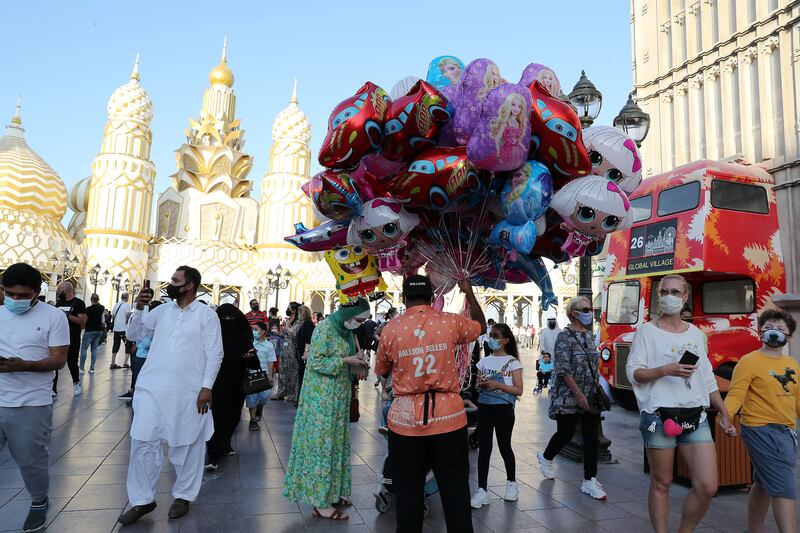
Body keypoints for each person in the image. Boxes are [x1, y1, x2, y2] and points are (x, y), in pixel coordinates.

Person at [375, 275, 486, 533]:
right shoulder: (448, 322)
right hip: (448, 418)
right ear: (432, 297)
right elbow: (479, 325)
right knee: (455, 489)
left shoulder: (391, 328)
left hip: (405, 423)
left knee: (408, 490)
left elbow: (381, 369)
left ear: (404, 298)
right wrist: (468, 292)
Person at [626, 274, 734, 533]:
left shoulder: (696, 335)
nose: (669, 297)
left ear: (685, 297)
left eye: (675, 292)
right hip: (659, 417)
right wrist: (667, 370)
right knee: (662, 482)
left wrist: (724, 411)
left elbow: (707, 377)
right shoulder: (646, 332)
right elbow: (634, 373)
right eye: (664, 292)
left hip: (695, 416)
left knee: (708, 486)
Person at [117, 266, 223, 525]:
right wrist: (139, 309)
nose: (169, 284)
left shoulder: (206, 316)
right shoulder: (160, 311)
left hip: (189, 391)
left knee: (187, 444)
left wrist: (206, 387)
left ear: (190, 286)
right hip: (152, 388)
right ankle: (142, 500)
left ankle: (183, 496)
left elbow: (214, 353)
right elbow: (133, 335)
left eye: (175, 280)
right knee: (143, 441)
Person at [283, 298, 371, 521]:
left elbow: (344, 360)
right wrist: (346, 360)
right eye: (358, 319)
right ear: (348, 313)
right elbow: (315, 363)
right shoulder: (324, 329)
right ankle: (319, 502)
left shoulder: (345, 332)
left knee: (336, 444)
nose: (360, 324)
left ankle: (333, 491)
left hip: (338, 398)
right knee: (321, 447)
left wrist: (357, 364)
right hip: (320, 399)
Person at [0, 263, 69, 533]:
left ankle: (39, 501)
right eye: (10, 294)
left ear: (37, 292)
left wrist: (23, 365)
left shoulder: (53, 317)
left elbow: (58, 360)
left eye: (22, 295)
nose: (15, 300)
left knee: (30, 460)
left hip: (31, 403)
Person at [724, 309, 799, 533]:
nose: (773, 333)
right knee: (784, 488)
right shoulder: (749, 361)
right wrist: (725, 417)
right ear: (760, 332)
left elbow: (796, 399)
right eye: (768, 329)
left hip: (786, 431)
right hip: (760, 429)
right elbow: (736, 394)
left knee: (764, 483)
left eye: (780, 330)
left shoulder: (792, 363)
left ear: (790, 337)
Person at [537, 296, 607, 500]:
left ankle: (589, 480)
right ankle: (546, 456)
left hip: (590, 394)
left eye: (591, 308)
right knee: (566, 433)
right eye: (585, 309)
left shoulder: (589, 335)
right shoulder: (564, 336)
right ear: (574, 312)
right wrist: (578, 394)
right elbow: (563, 368)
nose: (589, 312)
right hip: (569, 394)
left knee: (591, 437)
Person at [471, 322, 523, 508]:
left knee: (504, 446)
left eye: (496, 336)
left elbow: (519, 390)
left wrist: (497, 385)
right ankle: (482, 490)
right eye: (491, 335)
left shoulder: (513, 362)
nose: (492, 339)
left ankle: (511, 483)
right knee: (484, 448)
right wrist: (480, 384)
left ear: (506, 340)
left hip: (503, 409)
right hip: (484, 407)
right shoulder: (484, 361)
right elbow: (477, 385)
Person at [205, 304, 256, 471]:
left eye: (230, 319)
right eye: (223, 319)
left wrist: (249, 357)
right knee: (214, 416)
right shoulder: (211, 337)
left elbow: (255, 364)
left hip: (235, 385)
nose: (227, 322)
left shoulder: (243, 338)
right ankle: (213, 451)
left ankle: (225, 443)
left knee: (232, 416)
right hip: (214, 384)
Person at [117, 290, 158, 402]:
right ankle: (133, 391)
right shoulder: (140, 311)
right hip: (140, 355)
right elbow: (131, 335)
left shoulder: (157, 309)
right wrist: (139, 310)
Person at [54, 281, 86, 397]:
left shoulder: (78, 303)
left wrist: (67, 315)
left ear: (67, 290)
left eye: (60, 290)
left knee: (72, 361)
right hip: (58, 337)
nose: (58, 292)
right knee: (55, 362)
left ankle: (76, 383)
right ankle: (53, 388)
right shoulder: (58, 303)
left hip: (73, 337)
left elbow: (82, 321)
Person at [247, 321, 276, 431]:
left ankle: (260, 406)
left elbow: (271, 362)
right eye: (253, 329)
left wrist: (271, 377)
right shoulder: (250, 343)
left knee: (264, 396)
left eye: (256, 329)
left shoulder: (269, 345)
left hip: (264, 375)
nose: (253, 331)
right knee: (252, 397)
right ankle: (252, 420)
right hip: (251, 375)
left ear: (263, 332)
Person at [272, 302, 301, 401]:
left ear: (294, 310)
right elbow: (285, 334)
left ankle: (292, 393)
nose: (288, 310)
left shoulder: (297, 322)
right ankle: (281, 391)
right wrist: (278, 333)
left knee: (292, 371)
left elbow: (294, 334)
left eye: (289, 308)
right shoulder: (289, 320)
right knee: (282, 370)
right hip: (284, 348)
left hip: (292, 349)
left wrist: (287, 326)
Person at [79, 293, 105, 375]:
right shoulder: (102, 308)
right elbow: (103, 320)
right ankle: (92, 368)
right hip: (99, 331)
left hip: (90, 330)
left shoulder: (89, 309)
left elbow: (85, 320)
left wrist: (82, 326)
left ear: (91, 300)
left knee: (84, 349)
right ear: (98, 299)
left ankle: (82, 368)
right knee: (94, 349)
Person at [296, 305, 315, 394]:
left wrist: (306, 352)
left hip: (304, 354)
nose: (298, 315)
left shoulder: (308, 323)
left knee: (302, 375)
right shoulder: (305, 323)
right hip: (302, 352)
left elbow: (308, 339)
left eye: (299, 313)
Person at [110, 293, 131, 369]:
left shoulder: (116, 305)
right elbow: (128, 315)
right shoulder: (127, 305)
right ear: (127, 297)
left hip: (116, 328)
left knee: (116, 344)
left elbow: (113, 316)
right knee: (128, 344)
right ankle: (125, 363)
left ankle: (112, 362)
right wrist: (126, 321)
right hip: (124, 329)